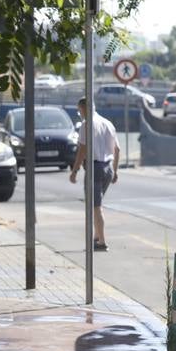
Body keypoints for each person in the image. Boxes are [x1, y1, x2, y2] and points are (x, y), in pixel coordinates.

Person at [69, 96, 120, 252]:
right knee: (96, 204)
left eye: (80, 111)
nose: (80, 114)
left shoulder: (86, 125)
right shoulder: (107, 123)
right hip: (108, 168)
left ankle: (101, 241)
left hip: (94, 168)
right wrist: (115, 170)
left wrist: (75, 170)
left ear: (84, 109)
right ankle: (97, 236)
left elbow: (82, 150)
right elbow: (117, 149)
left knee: (96, 206)